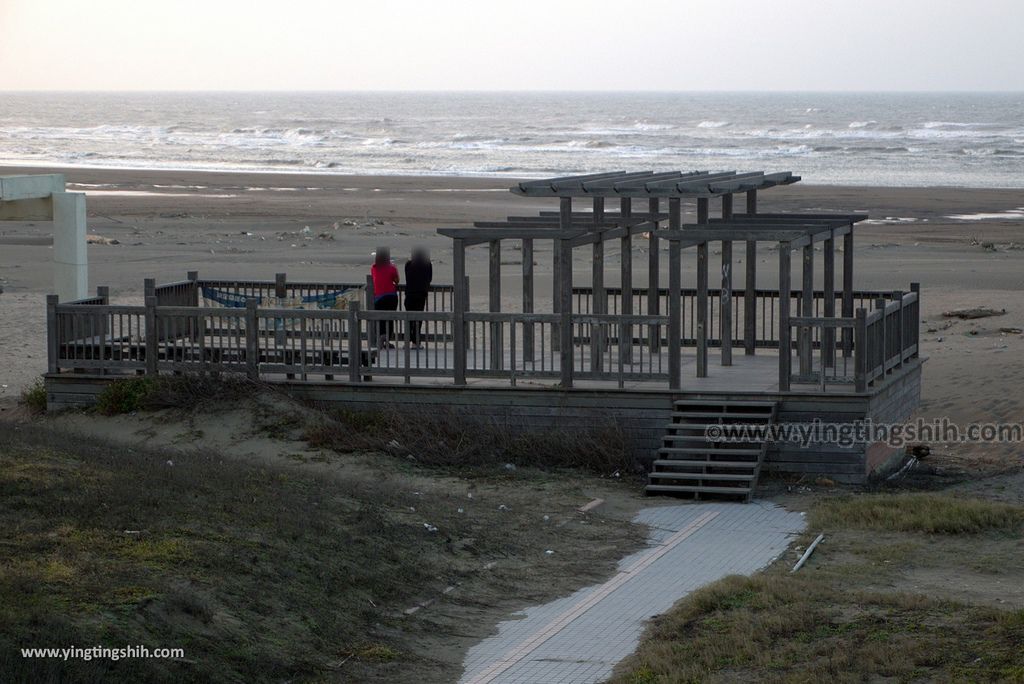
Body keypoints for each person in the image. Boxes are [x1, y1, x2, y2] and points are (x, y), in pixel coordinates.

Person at [371, 248, 399, 348]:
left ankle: (380, 339)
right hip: (391, 296)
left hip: (378, 297)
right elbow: (396, 281)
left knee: (379, 318)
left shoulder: (374, 267)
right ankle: (386, 339)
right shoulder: (392, 268)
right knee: (389, 318)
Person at [404, 248, 433, 347]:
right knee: (418, 319)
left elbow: (407, 277)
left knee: (408, 319)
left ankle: (407, 341)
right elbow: (429, 278)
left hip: (409, 294)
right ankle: (415, 342)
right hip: (421, 294)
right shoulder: (427, 264)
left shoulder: (408, 264)